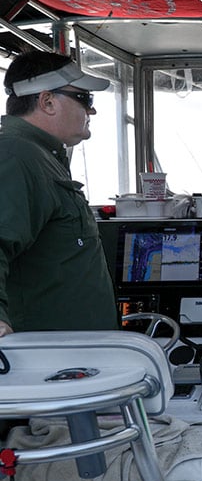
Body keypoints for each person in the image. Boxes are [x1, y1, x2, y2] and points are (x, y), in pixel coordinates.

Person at [0, 50, 117, 338]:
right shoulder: (16, 156)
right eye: (84, 99)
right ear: (47, 101)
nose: (92, 111)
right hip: (46, 364)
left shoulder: (40, 158)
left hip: (72, 361)